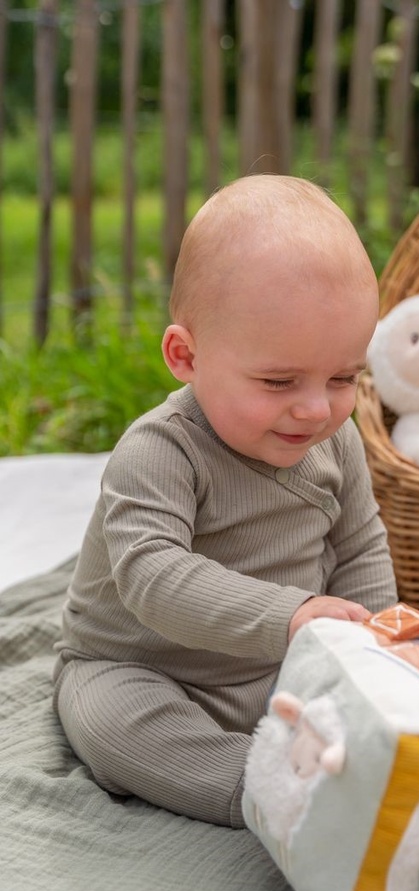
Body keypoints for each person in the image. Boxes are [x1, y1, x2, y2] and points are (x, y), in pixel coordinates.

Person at [53, 174, 398, 828]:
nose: (315, 408)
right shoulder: (161, 451)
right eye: (279, 381)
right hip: (146, 666)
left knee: (378, 704)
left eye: (342, 377)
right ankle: (262, 788)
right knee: (110, 721)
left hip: (278, 666)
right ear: (185, 355)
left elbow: (359, 549)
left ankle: (340, 758)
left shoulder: (336, 440)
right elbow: (152, 576)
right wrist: (292, 615)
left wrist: (374, 655)